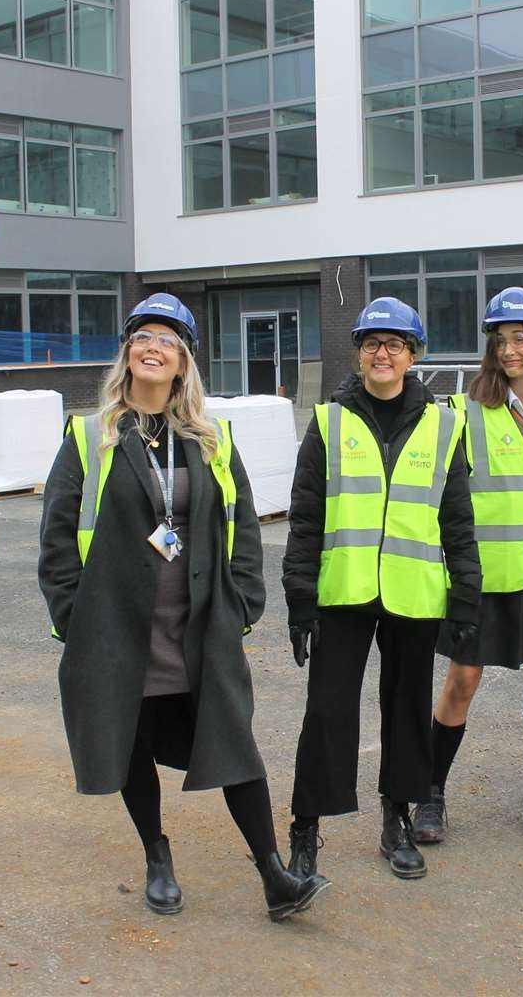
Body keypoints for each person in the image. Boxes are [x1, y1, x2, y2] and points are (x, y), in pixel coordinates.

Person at [38, 293, 329, 920]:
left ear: (183, 363)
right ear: (127, 354)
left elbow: (243, 522)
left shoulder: (210, 438)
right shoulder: (91, 436)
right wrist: (73, 618)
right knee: (133, 740)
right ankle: (157, 856)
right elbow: (57, 534)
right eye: (142, 336)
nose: (153, 347)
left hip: (199, 622)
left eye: (168, 341)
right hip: (119, 627)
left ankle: (274, 874)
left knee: (234, 740)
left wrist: (244, 603)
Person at [282, 297, 480, 880]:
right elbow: (305, 519)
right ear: (359, 353)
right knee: (327, 714)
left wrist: (466, 599)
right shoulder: (328, 422)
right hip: (341, 595)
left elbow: (458, 524)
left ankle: (396, 820)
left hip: (414, 595)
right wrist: (300, 601)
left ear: (413, 355)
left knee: (406, 710)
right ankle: (305, 830)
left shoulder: (445, 426)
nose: (382, 354)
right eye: (372, 343)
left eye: (395, 344)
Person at [411, 287, 523, 850]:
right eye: (500, 340)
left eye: (520, 338)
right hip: (485, 576)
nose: (510, 350)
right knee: (462, 680)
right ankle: (430, 793)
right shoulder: (463, 414)